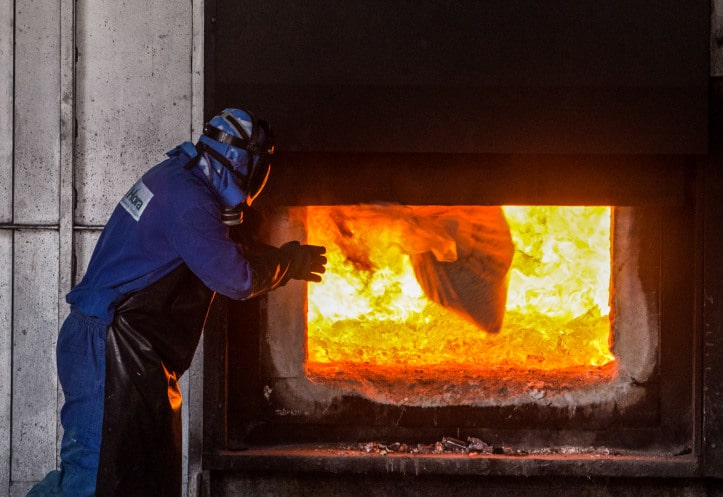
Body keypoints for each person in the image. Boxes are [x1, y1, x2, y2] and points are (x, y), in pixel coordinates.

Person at [27, 108, 327, 497]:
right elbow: (235, 278)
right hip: (108, 350)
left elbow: (217, 250)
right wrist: (288, 263)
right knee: (94, 483)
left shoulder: (175, 178)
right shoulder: (190, 203)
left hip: (124, 351)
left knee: (126, 481)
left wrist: (280, 257)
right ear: (246, 166)